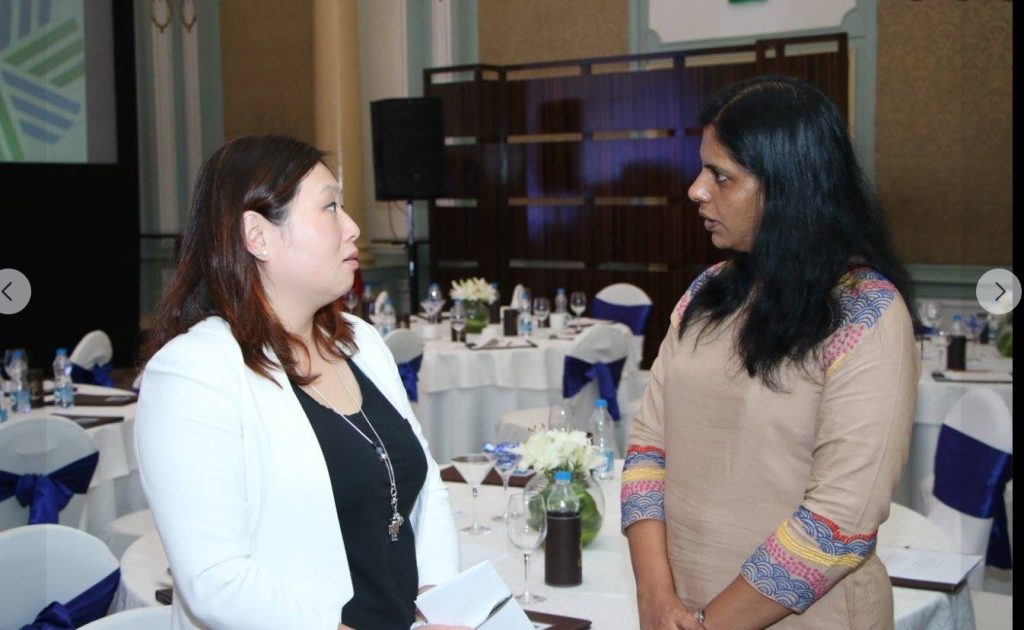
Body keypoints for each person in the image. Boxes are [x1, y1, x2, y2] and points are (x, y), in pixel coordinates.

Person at [621, 76, 920, 629]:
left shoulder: (866, 313)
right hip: (680, 607)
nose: (696, 190)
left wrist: (710, 624)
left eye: (721, 175)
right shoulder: (708, 293)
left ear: (788, 186)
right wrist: (655, 598)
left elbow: (838, 523)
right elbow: (647, 451)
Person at [136, 135, 465, 630]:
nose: (353, 228)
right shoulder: (194, 373)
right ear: (258, 235)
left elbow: (424, 487)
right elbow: (216, 580)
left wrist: (435, 603)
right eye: (330, 207)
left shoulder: (360, 341)